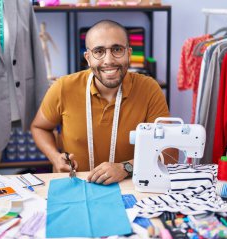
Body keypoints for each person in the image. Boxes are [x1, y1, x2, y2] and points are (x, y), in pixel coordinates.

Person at [31, 20, 175, 185]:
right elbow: (39, 127)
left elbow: (169, 152)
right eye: (99, 51)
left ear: (129, 54)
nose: (109, 60)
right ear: (88, 58)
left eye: (117, 50)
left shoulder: (149, 89)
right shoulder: (63, 87)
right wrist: (55, 156)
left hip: (130, 187)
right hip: (74, 186)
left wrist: (125, 168)